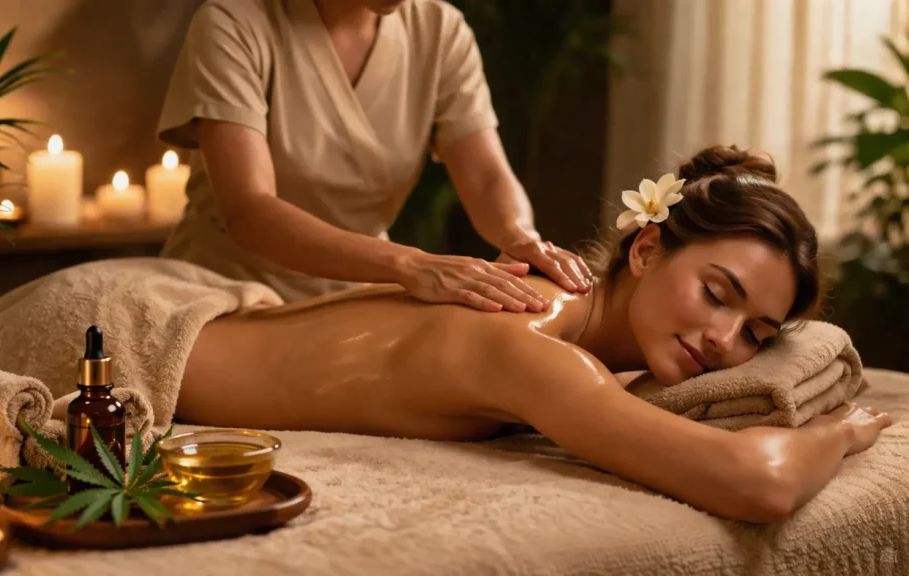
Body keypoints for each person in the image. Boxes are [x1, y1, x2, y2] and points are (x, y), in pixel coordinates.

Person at [177, 146, 894, 523]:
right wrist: (841, 433)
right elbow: (756, 483)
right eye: (716, 294)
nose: (723, 340)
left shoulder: (568, 317)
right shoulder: (530, 344)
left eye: (757, 335)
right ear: (645, 251)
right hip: (156, 343)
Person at [155, 0, 593, 312]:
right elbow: (250, 210)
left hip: (359, 300)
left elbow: (485, 177)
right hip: (225, 296)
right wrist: (410, 264)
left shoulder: (439, 29)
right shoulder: (233, 23)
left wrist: (521, 238)